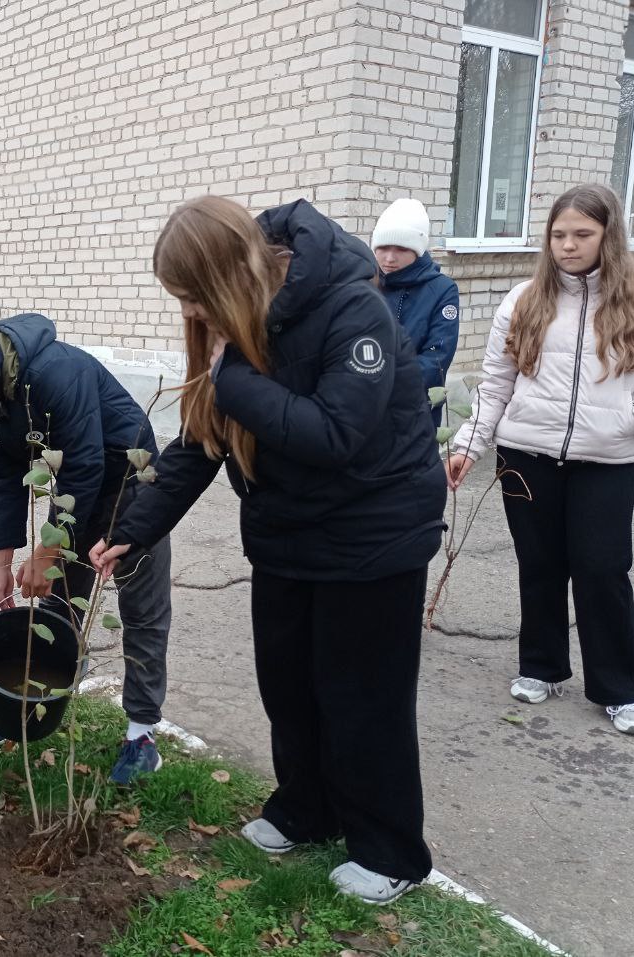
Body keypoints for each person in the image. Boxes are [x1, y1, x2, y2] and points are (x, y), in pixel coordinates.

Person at [92, 197, 446, 904]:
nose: (190, 313)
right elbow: (201, 441)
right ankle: (306, 809)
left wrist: (235, 381)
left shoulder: (352, 311)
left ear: (230, 276)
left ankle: (390, 849)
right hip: (290, 534)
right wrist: (136, 523)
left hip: (375, 535)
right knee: (289, 683)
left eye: (194, 295)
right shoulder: (236, 337)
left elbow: (333, 434)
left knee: (362, 698)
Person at [0, 315, 173, 785]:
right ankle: (32, 707)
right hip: (79, 490)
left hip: (132, 484)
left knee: (141, 606)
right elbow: (4, 478)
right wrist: (2, 564)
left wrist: (47, 553)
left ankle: (142, 736)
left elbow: (88, 463)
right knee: (57, 605)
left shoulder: (52, 373)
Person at [446, 184, 634, 737]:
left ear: (609, 235)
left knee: (603, 570)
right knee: (539, 566)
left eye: (582, 234)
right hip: (527, 453)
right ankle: (541, 666)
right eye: (558, 234)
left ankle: (620, 689)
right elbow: (496, 382)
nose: (567, 245)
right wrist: (470, 443)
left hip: (606, 458)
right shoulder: (523, 300)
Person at [371, 198, 460, 427]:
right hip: (365, 412)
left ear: (418, 250)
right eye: (382, 248)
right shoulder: (364, 282)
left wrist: (376, 382)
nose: (389, 258)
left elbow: (436, 359)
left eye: (401, 249)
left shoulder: (441, 289)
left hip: (414, 413)